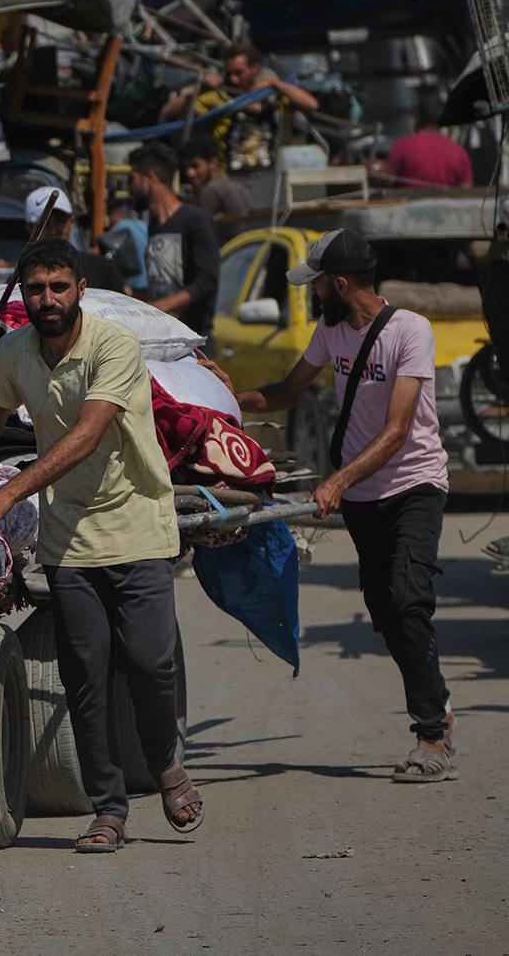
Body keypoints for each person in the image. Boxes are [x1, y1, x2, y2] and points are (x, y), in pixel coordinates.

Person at [0, 238, 202, 852]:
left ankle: (164, 763)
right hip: (69, 536)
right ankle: (109, 809)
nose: (47, 299)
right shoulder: (15, 350)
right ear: (23, 295)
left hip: (135, 521)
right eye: (35, 288)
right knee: (84, 673)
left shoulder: (112, 345)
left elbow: (87, 433)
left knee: (149, 661)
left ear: (80, 288)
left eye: (59, 286)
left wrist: (5, 498)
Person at [205, 229, 457, 782]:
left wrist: (335, 481)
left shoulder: (411, 332)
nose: (314, 293)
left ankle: (432, 734)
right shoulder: (330, 331)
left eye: (317, 284)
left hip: (414, 483)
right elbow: (289, 391)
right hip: (365, 494)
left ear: (339, 283)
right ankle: (436, 703)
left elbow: (396, 431)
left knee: (407, 597)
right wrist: (227, 396)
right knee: (385, 610)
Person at [163, 45, 319, 175]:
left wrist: (277, 84)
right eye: (229, 73)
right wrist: (201, 87)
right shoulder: (219, 97)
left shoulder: (273, 97)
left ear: (255, 68)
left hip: (272, 176)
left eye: (238, 73)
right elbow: (168, 112)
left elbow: (311, 105)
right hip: (230, 177)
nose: (233, 79)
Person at [129, 142, 221, 345]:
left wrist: (158, 307)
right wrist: (132, 296)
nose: (130, 188)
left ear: (150, 178)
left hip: (194, 342)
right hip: (162, 339)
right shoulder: (154, 226)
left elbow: (206, 282)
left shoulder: (195, 219)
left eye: (133, 179)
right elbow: (165, 285)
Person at [23, 186, 125, 294]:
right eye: (45, 222)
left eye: (60, 221)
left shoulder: (103, 268)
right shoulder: (19, 279)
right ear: (30, 227)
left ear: (71, 222)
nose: (53, 230)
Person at [383, 99, 473, 189]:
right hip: (446, 201)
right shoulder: (458, 151)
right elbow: (466, 187)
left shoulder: (402, 146)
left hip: (409, 201)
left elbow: (387, 180)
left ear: (417, 118)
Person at [178, 135, 250, 218]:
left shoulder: (210, 190)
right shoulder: (235, 186)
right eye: (185, 167)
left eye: (195, 166)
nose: (189, 173)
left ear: (213, 162)